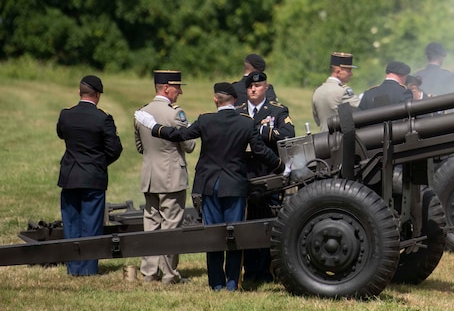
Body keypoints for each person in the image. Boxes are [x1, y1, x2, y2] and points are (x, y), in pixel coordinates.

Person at [135, 83, 283, 292]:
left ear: (216, 99)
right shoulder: (245, 123)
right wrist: (280, 166)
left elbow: (180, 135)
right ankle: (232, 283)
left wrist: (154, 127)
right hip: (234, 186)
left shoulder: (206, 120)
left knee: (212, 235)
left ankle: (216, 283)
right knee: (235, 235)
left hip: (209, 184)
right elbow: (261, 151)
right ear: (235, 101)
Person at [55, 75, 123, 276]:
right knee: (91, 224)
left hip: (70, 175)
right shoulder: (103, 118)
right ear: (98, 95)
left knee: (71, 223)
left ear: (79, 92)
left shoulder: (66, 115)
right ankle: (88, 269)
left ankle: (73, 268)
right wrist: (99, 164)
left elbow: (61, 134)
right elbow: (115, 149)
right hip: (93, 177)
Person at [134, 69, 196, 285]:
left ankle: (149, 273)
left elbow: (140, 147)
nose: (180, 92)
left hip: (150, 176)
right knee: (171, 226)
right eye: (177, 87)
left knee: (151, 224)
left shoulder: (142, 113)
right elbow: (189, 145)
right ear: (166, 88)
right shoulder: (175, 114)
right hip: (172, 176)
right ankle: (169, 274)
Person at [237, 70, 293, 286]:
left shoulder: (277, 111)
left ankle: (267, 270)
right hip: (246, 172)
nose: (253, 89)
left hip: (269, 173)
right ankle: (250, 270)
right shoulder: (238, 111)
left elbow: (288, 134)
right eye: (250, 86)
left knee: (270, 222)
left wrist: (263, 132)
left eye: (258, 86)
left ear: (266, 88)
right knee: (249, 223)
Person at [312, 52, 358, 130]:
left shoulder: (317, 91)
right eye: (349, 70)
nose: (351, 74)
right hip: (340, 139)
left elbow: (318, 121)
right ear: (338, 71)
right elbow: (360, 108)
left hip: (323, 139)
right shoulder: (343, 91)